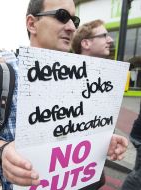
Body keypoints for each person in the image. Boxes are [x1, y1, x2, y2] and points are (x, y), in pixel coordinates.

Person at [0, 0, 128, 189]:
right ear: (32, 24)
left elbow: (77, 127)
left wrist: (101, 140)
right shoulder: (3, 76)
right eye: (62, 16)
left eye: (74, 19)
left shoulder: (84, 77)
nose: (72, 27)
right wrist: (1, 149)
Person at [71, 19, 116, 190]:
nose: (110, 40)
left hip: (92, 166)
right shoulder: (63, 75)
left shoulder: (106, 77)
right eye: (104, 35)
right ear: (86, 43)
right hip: (66, 170)